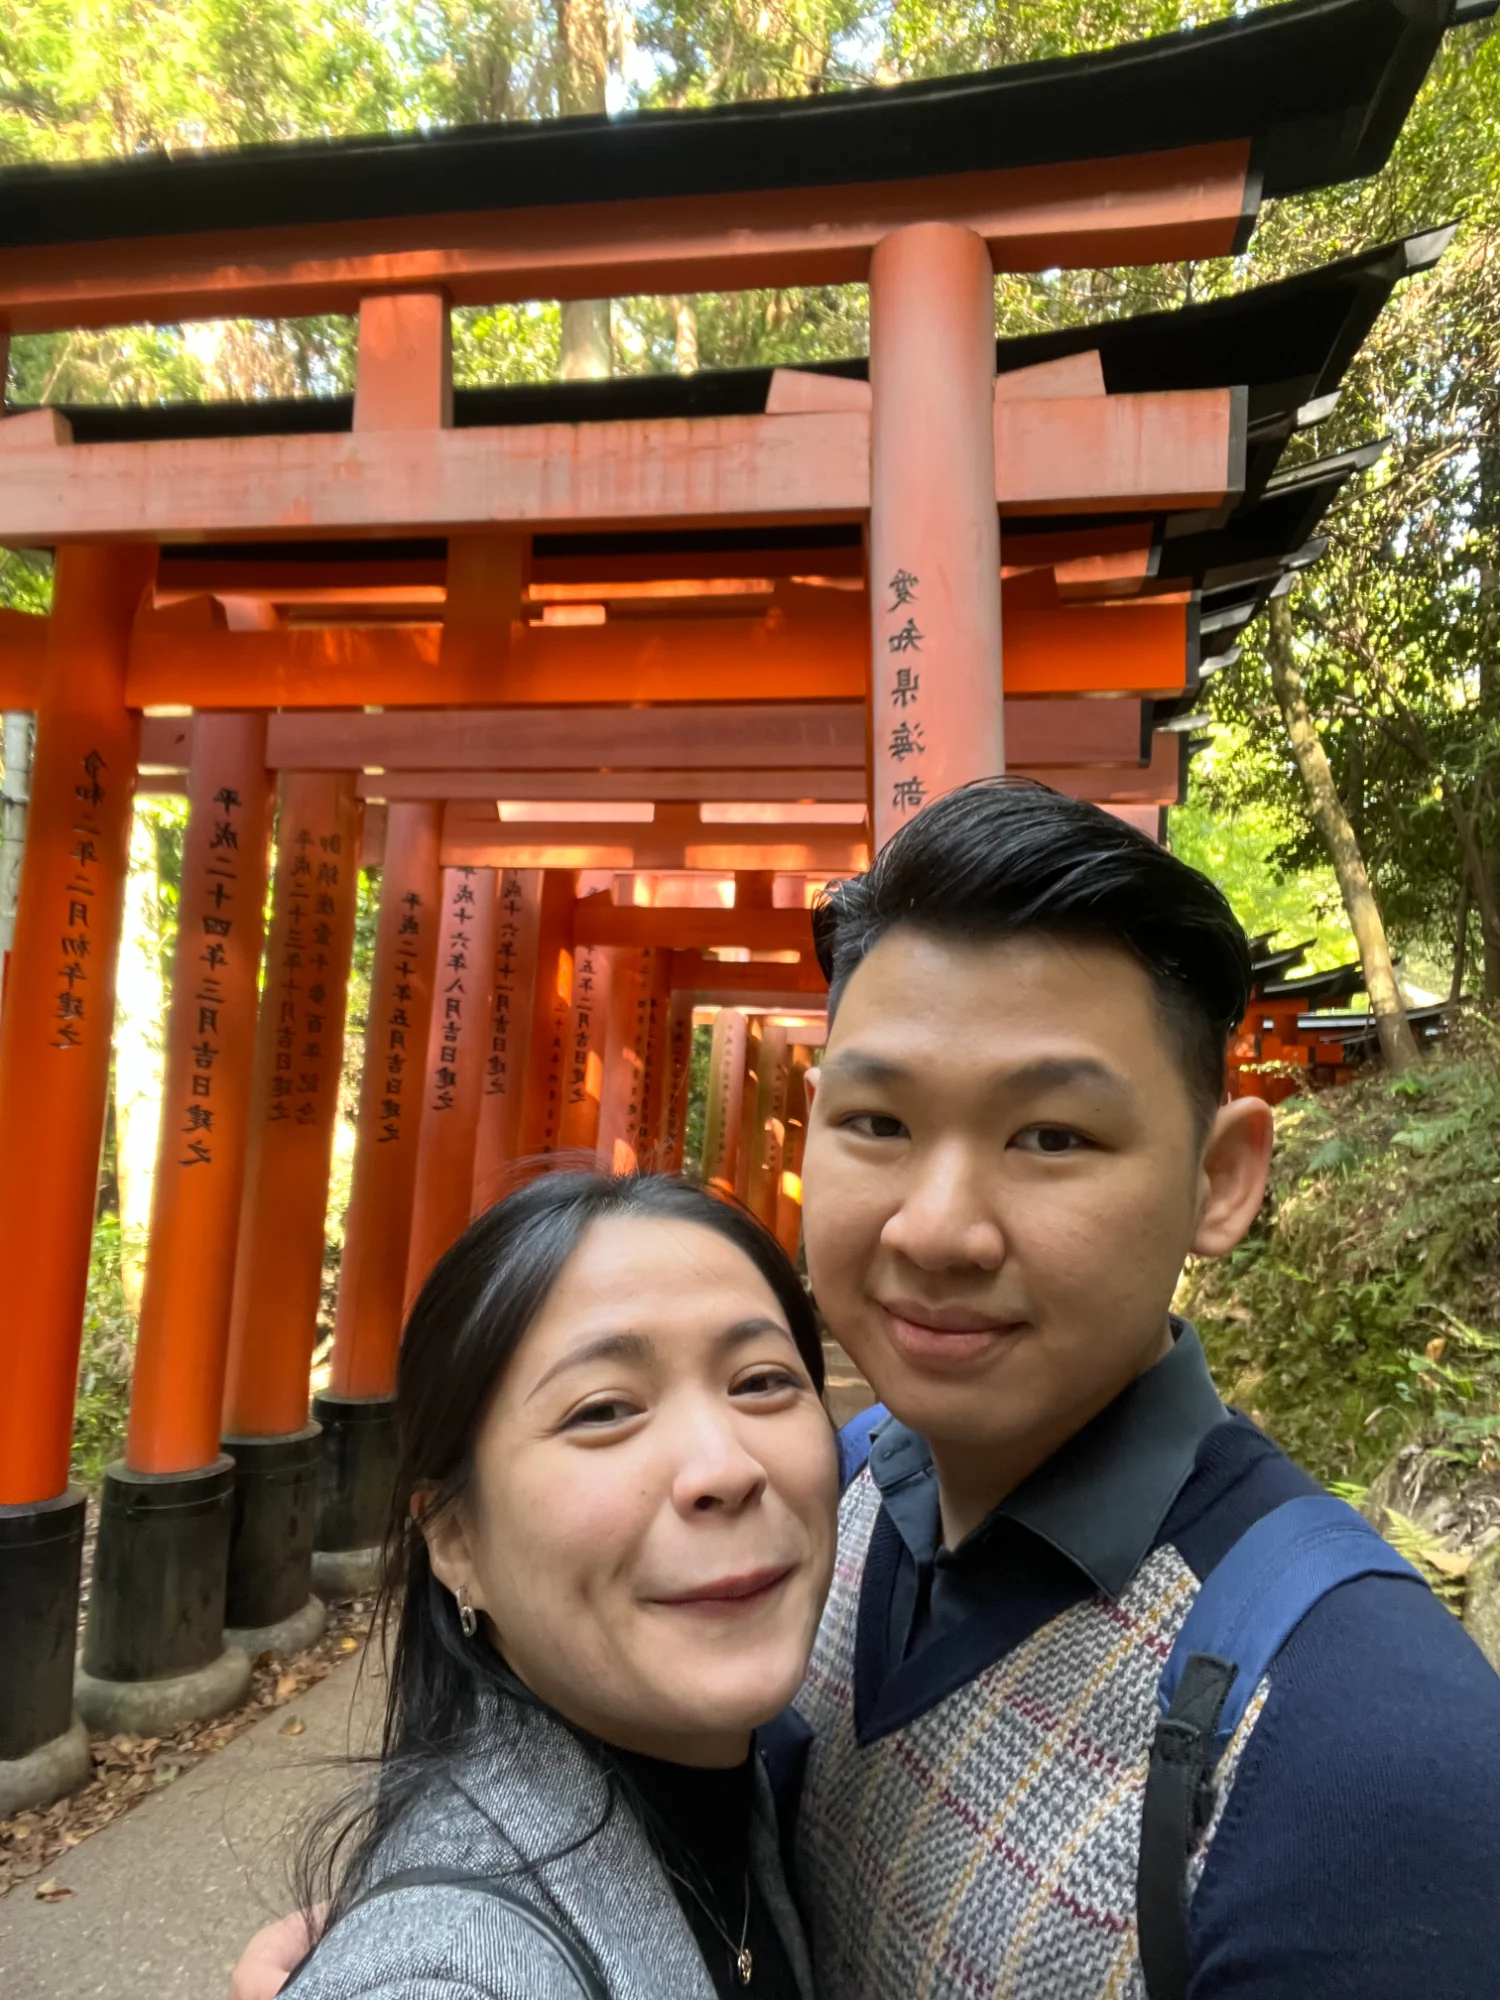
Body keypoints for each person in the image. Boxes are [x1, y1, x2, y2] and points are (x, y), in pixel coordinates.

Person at [237, 779, 1500, 2000]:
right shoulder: (827, 1500)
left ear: (1220, 1179)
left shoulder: (1362, 1746)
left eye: (1052, 1135)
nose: (936, 1228)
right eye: (879, 1123)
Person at [261, 1170, 836, 2000]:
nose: (725, 1467)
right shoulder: (446, 1977)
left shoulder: (737, 1793)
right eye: (603, 1410)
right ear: (455, 1539)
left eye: (760, 1381)